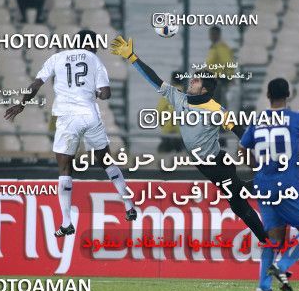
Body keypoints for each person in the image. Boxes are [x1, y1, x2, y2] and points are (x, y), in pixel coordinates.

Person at [110, 35, 268, 243]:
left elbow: (238, 129)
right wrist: (131, 57)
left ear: (204, 89)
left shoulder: (215, 109)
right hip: (205, 164)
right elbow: (154, 80)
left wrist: (256, 147)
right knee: (239, 196)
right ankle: (266, 189)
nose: (191, 81)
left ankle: (267, 239)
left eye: (195, 81)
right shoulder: (179, 98)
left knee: (238, 203)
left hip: (217, 164)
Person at [4, 30, 136, 238]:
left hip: (67, 119)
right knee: (107, 161)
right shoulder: (94, 59)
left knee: (65, 168)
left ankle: (66, 223)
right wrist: (95, 92)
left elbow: (36, 84)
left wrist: (21, 105)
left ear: (74, 42)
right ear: (92, 44)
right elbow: (106, 94)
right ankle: (129, 205)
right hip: (89, 115)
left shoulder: (56, 58)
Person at [239, 78, 299, 291]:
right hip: (286, 184)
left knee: (273, 239)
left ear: (268, 95)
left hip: (263, 184)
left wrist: (256, 166)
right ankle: (283, 264)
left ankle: (263, 287)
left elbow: (241, 148)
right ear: (288, 95)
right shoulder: (295, 118)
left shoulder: (257, 120)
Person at [206, 26, 234, 105]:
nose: (212, 36)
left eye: (214, 34)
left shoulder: (222, 48)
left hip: (219, 80)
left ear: (218, 35)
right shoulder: (213, 48)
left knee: (218, 104)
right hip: (212, 81)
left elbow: (228, 62)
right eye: (211, 34)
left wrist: (228, 77)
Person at [156, 71, 183, 153]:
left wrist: (163, 125)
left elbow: (159, 110)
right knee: (181, 156)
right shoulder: (188, 93)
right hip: (182, 132)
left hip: (168, 130)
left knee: (163, 155)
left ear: (172, 80)